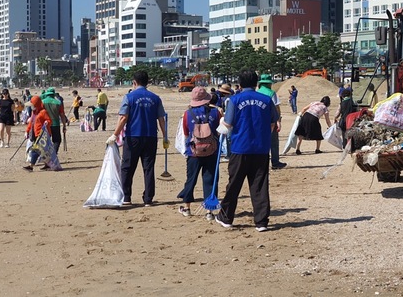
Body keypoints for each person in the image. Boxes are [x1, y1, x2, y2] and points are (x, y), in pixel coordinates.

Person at [214, 70, 278, 231]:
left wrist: (221, 123)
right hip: (261, 149)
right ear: (256, 84)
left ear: (240, 84)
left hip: (240, 148)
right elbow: (273, 124)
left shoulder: (234, 100)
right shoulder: (266, 99)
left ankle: (226, 217)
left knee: (234, 184)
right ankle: (261, 221)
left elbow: (227, 125)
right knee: (260, 185)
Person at [106, 71, 168, 207]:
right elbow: (161, 119)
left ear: (134, 82)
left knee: (127, 167)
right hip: (151, 136)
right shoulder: (156, 98)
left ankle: (126, 197)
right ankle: (148, 199)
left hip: (133, 136)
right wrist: (165, 136)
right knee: (148, 168)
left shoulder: (129, 97)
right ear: (148, 82)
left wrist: (115, 135)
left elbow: (123, 118)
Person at [177, 87, 222, 220]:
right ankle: (209, 211)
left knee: (191, 179)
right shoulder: (216, 112)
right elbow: (220, 130)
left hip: (193, 152)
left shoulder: (187, 113)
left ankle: (187, 208)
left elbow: (186, 133)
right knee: (210, 180)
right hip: (212, 151)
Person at [257, 74, 286, 170]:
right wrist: (278, 120)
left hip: (258, 121)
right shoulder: (271, 93)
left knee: (261, 142)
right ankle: (275, 162)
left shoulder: (257, 92)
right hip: (270, 121)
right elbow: (276, 108)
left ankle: (261, 163)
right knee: (273, 142)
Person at [23, 95, 52, 171]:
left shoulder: (43, 112)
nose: (31, 106)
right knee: (43, 151)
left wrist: (46, 122)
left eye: (32, 105)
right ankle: (48, 165)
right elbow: (31, 123)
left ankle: (31, 166)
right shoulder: (34, 112)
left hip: (43, 135)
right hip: (35, 134)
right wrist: (27, 131)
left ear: (36, 104)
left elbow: (49, 121)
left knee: (36, 149)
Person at [41, 87, 66, 153]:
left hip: (45, 124)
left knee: (45, 141)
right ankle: (53, 153)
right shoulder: (58, 102)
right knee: (57, 140)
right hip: (55, 124)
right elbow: (62, 115)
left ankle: (46, 155)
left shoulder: (42, 102)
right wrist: (64, 125)